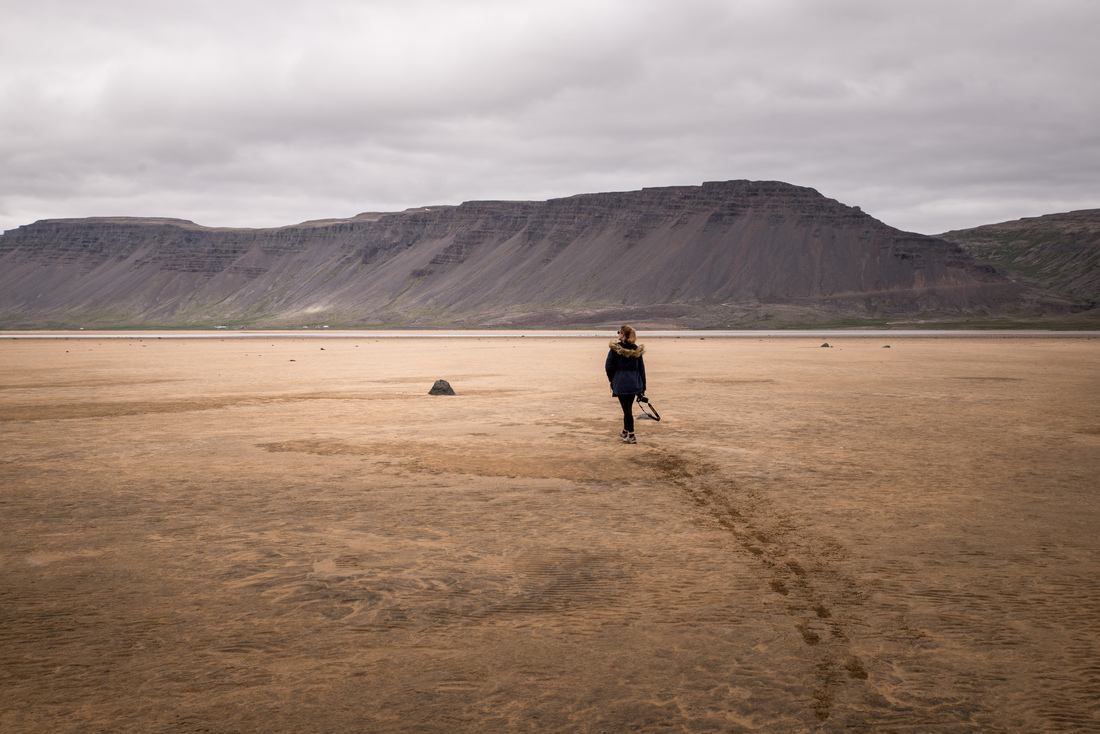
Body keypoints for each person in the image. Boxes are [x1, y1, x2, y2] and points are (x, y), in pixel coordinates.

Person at [605, 324, 646, 444]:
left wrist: (612, 380)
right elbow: (641, 369)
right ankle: (625, 431)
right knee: (627, 408)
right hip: (634, 382)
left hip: (621, 382)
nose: (618, 334)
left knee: (627, 410)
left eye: (619, 332)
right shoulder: (636, 350)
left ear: (623, 335)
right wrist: (643, 386)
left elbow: (608, 367)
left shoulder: (615, 350)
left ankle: (631, 435)